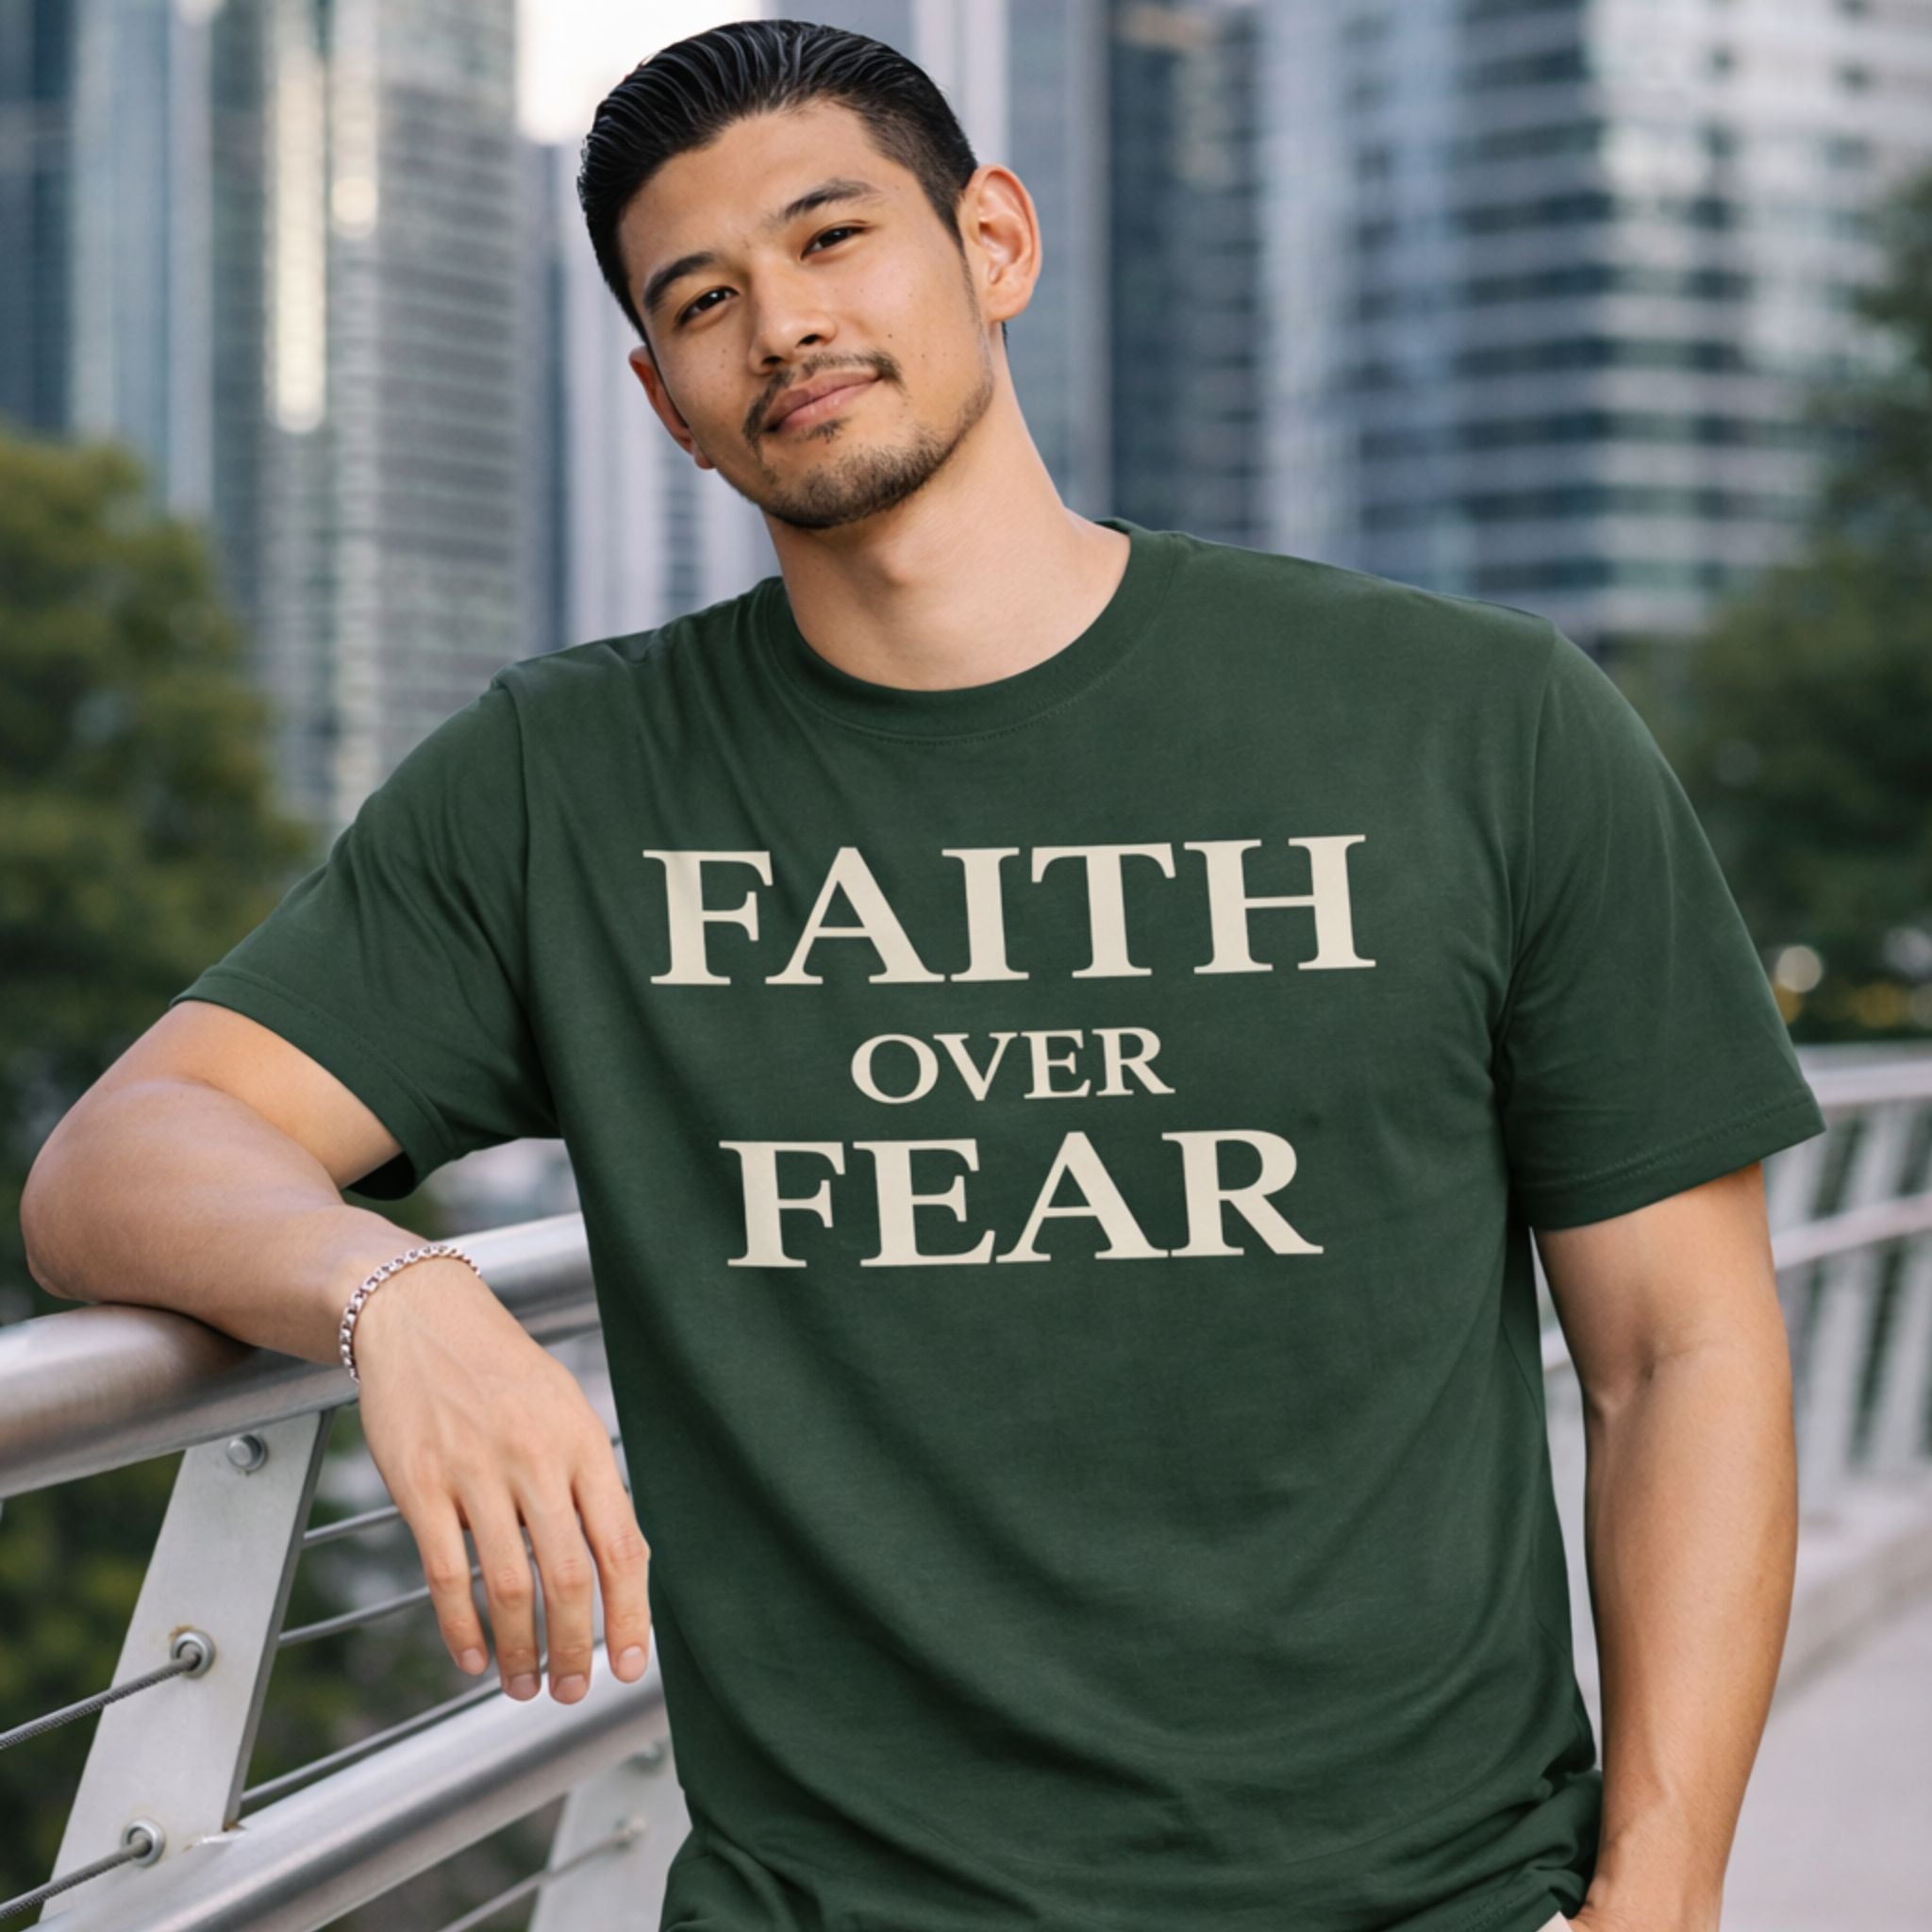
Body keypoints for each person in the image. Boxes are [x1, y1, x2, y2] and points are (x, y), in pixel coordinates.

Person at [21, 19, 1826, 1932]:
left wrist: (1662, 1891)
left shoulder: (1475, 723)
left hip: (1423, 1898)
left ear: (996, 243)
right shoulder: (572, 785)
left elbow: (1678, 1353)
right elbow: (117, 1161)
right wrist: (394, 1291)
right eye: (703, 298)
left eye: (834, 237)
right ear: (663, 398)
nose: (782, 325)